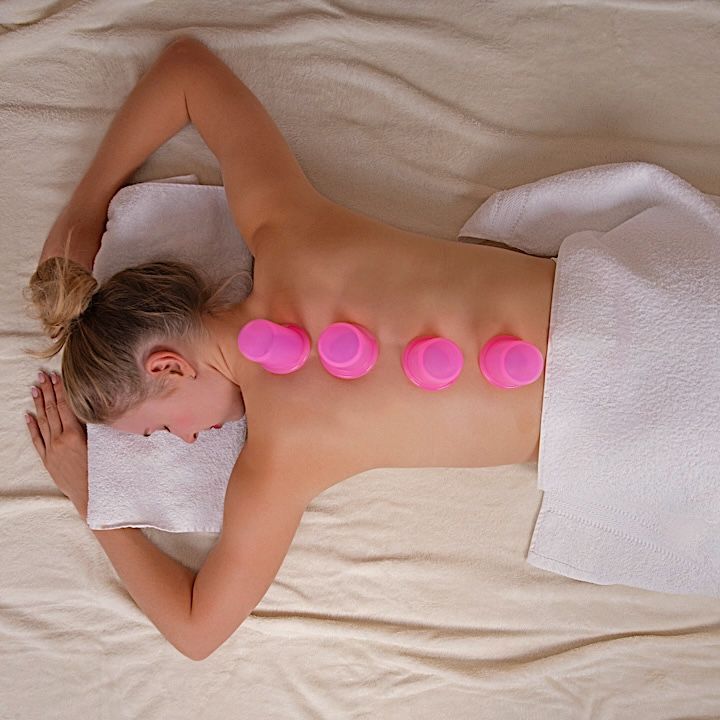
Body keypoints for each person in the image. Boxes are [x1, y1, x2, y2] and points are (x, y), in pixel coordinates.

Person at [22, 37, 556, 661]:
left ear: (168, 367)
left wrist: (89, 499)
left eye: (159, 427)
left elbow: (196, 631)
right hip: (618, 307)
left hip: (613, 416)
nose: (187, 441)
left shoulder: (278, 464)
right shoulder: (285, 228)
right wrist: (85, 209)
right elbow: (187, 72)